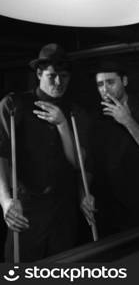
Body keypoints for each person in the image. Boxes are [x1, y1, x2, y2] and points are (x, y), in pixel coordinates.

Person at [0, 43, 94, 262]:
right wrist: (5, 200)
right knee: (20, 269)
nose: (59, 82)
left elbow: (79, 164)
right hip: (26, 206)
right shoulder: (13, 105)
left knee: (61, 269)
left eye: (64, 76)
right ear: (39, 73)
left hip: (64, 208)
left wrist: (62, 124)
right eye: (52, 76)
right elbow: (0, 155)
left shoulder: (76, 112)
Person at [90, 60, 139, 237]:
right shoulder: (96, 117)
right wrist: (84, 195)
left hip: (138, 208)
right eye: (100, 84)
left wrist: (127, 121)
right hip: (105, 209)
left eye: (110, 82)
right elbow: (90, 163)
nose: (105, 89)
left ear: (124, 81)